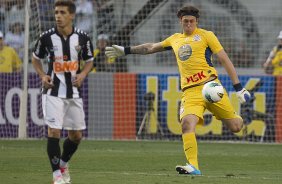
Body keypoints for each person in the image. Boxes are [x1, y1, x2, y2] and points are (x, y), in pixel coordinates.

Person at [105, 5, 250, 175]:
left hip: (211, 87)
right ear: (180, 21)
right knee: (187, 124)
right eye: (185, 21)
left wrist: (238, 87)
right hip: (190, 93)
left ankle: (236, 117)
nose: (189, 24)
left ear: (197, 21)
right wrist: (126, 50)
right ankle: (194, 166)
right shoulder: (175, 39)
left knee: (236, 126)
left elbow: (225, 59)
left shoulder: (207, 36)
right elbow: (151, 47)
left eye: (192, 21)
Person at [32, 1, 94, 184]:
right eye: (56, 12)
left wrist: (83, 73)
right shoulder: (46, 37)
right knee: (54, 131)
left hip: (73, 92)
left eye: (62, 12)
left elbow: (90, 60)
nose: (58, 16)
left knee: (76, 136)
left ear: (72, 15)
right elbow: (35, 59)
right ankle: (57, 177)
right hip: (52, 93)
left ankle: (63, 164)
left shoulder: (83, 38)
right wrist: (43, 75)